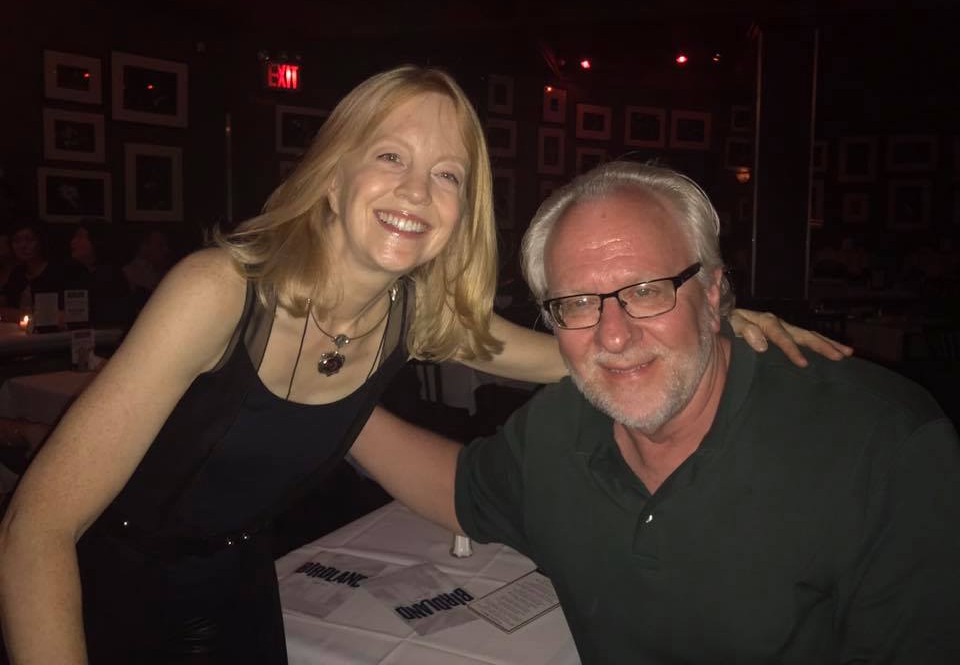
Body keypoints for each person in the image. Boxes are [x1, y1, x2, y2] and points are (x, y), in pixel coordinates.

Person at [0, 68, 847, 664]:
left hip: (240, 585)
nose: (416, 191)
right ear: (334, 175)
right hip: (98, 597)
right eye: (390, 156)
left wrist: (707, 320)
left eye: (447, 175)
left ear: (461, 212)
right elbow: (36, 531)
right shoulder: (218, 291)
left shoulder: (417, 314)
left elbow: (585, 353)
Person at [353, 161, 960, 664]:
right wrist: (329, 404)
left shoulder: (884, 448)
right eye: (579, 302)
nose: (614, 336)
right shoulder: (560, 423)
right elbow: (461, 489)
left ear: (714, 292)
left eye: (647, 291)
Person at [64, 221, 134, 327]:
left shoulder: (111, 277)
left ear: (96, 241)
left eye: (80, 237)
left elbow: (107, 320)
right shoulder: (81, 275)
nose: (73, 242)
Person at [0, 219, 66, 323]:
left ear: (40, 241)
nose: (23, 246)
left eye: (29, 240)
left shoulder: (58, 272)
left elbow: (65, 315)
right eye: (16, 241)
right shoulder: (17, 274)